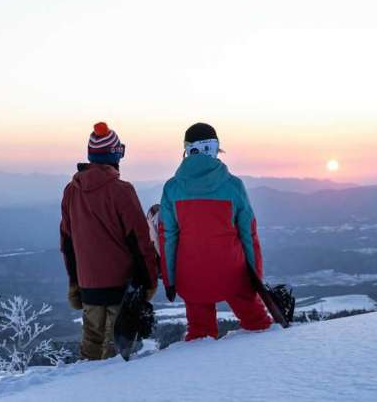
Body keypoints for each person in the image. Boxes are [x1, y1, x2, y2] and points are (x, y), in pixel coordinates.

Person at [159, 122, 272, 340]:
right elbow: (249, 234)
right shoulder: (233, 186)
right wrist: (255, 276)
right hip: (233, 273)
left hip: (191, 276)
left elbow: (168, 238)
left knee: (200, 336)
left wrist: (170, 280)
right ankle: (263, 367)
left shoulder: (172, 188)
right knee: (259, 326)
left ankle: (202, 373)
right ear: (214, 148)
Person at [60, 122, 158, 360]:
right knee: (116, 351)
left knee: (91, 346)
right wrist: (149, 280)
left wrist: (75, 281)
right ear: (115, 154)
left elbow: (67, 241)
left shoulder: (72, 191)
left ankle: (87, 391)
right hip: (120, 287)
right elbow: (140, 240)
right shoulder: (122, 190)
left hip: (88, 286)